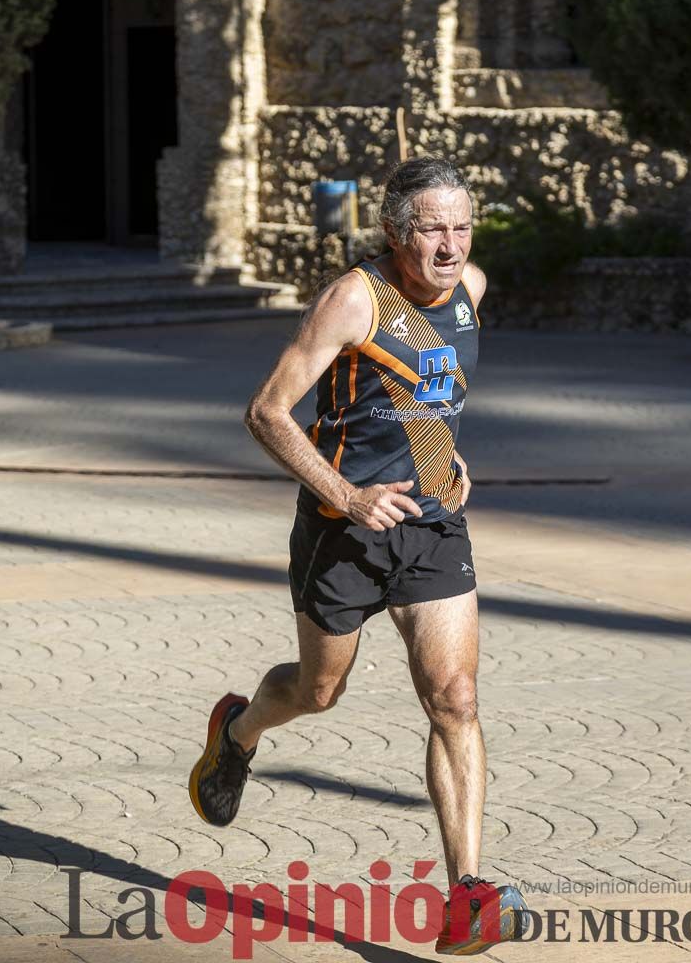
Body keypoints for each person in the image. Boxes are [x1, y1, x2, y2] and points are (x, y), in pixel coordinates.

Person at [188, 156, 529, 952]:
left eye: (461, 225)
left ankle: (467, 893)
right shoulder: (354, 299)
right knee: (318, 690)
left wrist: (447, 457)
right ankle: (239, 731)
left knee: (455, 699)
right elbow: (267, 412)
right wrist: (348, 495)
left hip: (435, 526)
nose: (449, 244)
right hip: (342, 531)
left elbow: (433, 390)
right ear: (393, 231)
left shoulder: (472, 289)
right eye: (431, 228)